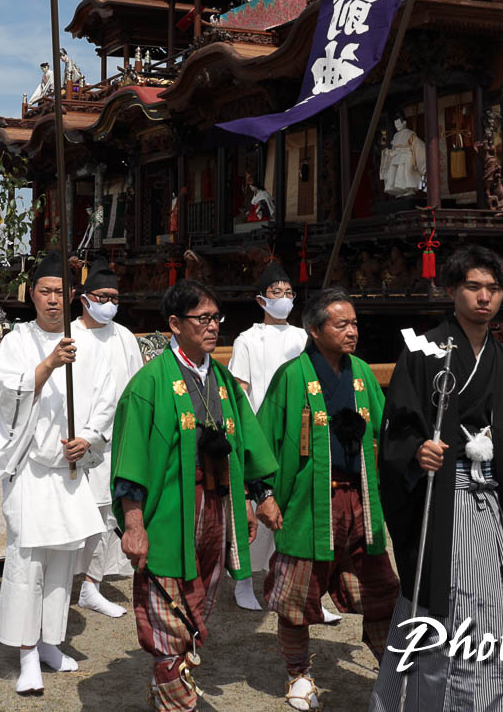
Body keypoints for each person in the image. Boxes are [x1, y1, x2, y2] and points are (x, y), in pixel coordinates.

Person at [371, 245, 503, 712]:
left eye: (494, 289)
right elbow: (397, 425)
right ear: (451, 291)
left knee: (500, 600)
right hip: (446, 502)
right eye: (473, 287)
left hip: (495, 506)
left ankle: (500, 699)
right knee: (450, 600)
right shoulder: (423, 351)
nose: (484, 297)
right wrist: (416, 450)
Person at [113, 278, 281, 712]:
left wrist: (257, 496)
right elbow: (131, 460)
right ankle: (176, 696)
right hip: (171, 511)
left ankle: (172, 679)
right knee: (166, 599)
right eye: (202, 318)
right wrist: (133, 524)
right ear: (175, 323)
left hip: (217, 507)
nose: (213, 326)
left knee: (201, 595)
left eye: (216, 318)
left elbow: (247, 442)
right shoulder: (149, 383)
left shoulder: (223, 380)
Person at [0, 253, 117, 696]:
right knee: (28, 563)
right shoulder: (17, 341)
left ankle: (49, 642)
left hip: (68, 471)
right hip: (30, 469)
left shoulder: (86, 342)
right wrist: (48, 365)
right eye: (45, 291)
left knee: (62, 563)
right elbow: (6, 395)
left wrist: (89, 438)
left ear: (71, 296)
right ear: (32, 295)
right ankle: (25, 652)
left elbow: (104, 400)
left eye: (60, 291)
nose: (53, 299)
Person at [258, 288, 399, 710]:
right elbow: (263, 441)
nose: (352, 331)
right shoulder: (292, 376)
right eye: (342, 324)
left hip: (360, 500)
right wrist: (263, 494)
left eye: (355, 323)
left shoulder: (361, 373)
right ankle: (299, 675)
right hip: (309, 503)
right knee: (296, 595)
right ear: (315, 330)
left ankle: (393, 671)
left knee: (381, 590)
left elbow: (387, 431)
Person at [229, 260, 312, 613]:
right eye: (276, 293)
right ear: (262, 300)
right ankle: (244, 581)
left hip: (297, 430)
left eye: (289, 292)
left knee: (293, 504)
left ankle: (289, 580)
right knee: (256, 503)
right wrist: (248, 434)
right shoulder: (248, 339)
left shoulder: (304, 337)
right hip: (260, 428)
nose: (284, 298)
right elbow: (241, 388)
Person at [69, 260, 143, 619]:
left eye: (115, 297)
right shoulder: (69, 336)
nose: (110, 304)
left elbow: (137, 386)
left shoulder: (124, 336)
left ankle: (91, 585)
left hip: (116, 442)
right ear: (85, 299)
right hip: (74, 442)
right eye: (103, 297)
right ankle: (58, 582)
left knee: (105, 517)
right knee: (71, 516)